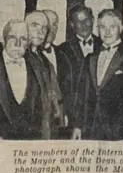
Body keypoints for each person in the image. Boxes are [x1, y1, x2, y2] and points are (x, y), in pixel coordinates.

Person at [72, 10, 123, 141]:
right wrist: (78, 126)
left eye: (112, 27)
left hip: (119, 131)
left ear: (121, 28)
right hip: (92, 130)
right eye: (102, 27)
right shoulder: (90, 58)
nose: (107, 32)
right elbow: (82, 94)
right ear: (97, 29)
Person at [0, 20, 42, 139]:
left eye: (23, 39)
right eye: (13, 37)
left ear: (28, 43)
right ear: (4, 40)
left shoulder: (36, 66)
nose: (17, 44)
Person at [24, 11, 63, 139]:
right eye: (35, 25)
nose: (40, 32)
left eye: (44, 28)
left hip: (45, 132)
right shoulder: (15, 58)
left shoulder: (45, 62)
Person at [41, 9, 73, 128]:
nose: (52, 28)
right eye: (48, 23)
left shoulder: (63, 54)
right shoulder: (28, 55)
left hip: (61, 120)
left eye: (55, 24)